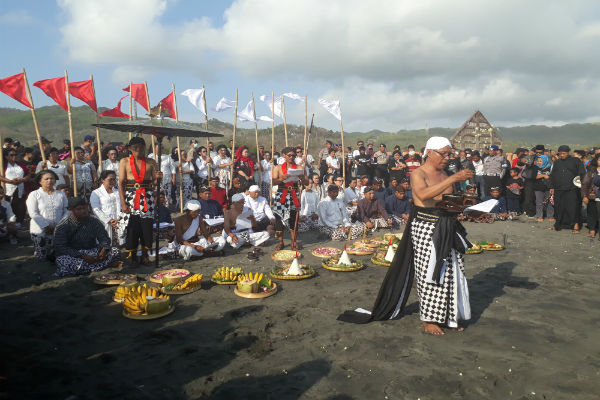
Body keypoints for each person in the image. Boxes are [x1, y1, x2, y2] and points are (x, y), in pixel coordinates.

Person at [338, 136, 474, 335]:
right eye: (444, 154)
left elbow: (446, 199)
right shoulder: (418, 173)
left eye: (449, 154)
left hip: (446, 223)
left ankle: (447, 316)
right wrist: (454, 178)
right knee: (428, 270)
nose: (447, 157)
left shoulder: (445, 173)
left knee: (450, 270)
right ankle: (429, 319)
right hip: (425, 225)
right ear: (429, 153)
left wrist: (465, 206)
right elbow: (423, 195)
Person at [118, 136, 161, 265]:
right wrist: (123, 203)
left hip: (147, 198)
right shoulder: (124, 161)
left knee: (146, 227)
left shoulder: (152, 162)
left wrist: (158, 178)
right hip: (130, 198)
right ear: (130, 149)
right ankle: (132, 256)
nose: (139, 150)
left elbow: (154, 184)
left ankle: (145, 255)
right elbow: (121, 183)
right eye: (135, 148)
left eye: (141, 148)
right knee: (132, 227)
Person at [54, 197, 122, 276]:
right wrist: (81, 256)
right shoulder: (63, 225)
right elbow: (61, 247)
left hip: (92, 252)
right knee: (63, 261)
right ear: (71, 211)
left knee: (115, 250)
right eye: (79, 209)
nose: (83, 211)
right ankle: (104, 265)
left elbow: (104, 239)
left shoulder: (94, 221)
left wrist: (103, 250)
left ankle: (93, 267)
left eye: (85, 208)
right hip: (73, 255)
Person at [271, 147, 309, 250]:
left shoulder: (300, 168)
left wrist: (301, 178)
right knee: (279, 217)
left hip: (294, 194)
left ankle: (294, 241)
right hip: (281, 194)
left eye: (293, 155)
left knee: (294, 217)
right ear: (284, 155)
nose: (292, 157)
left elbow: (307, 183)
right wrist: (281, 178)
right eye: (289, 155)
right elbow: (273, 182)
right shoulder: (278, 168)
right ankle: (281, 242)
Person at [550, 145, 586, 232]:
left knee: (573, 207)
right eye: (560, 154)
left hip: (572, 189)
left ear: (568, 152)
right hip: (559, 188)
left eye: (564, 153)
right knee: (558, 207)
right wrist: (551, 186)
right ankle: (558, 224)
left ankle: (575, 225)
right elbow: (553, 175)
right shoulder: (557, 162)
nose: (562, 155)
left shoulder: (576, 161)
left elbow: (582, 173)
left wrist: (581, 185)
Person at [90, 170, 121, 245]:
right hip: (104, 222)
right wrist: (109, 220)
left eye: (114, 179)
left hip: (118, 221)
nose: (113, 181)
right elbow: (96, 209)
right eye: (110, 179)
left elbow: (122, 206)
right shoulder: (96, 193)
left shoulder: (118, 191)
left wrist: (119, 219)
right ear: (102, 180)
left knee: (119, 246)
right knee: (105, 245)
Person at [0, 149, 28, 224]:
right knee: (9, 206)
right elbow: (0, 176)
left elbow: (28, 174)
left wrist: (22, 179)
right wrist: (10, 181)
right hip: (8, 189)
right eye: (11, 155)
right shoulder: (3, 165)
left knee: (20, 207)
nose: (14, 156)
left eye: (15, 155)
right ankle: (9, 224)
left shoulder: (20, 164)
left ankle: (19, 223)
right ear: (6, 156)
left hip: (20, 188)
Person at [533, 155, 554, 222]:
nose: (539, 162)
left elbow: (553, 178)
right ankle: (539, 215)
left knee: (549, 202)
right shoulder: (535, 168)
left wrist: (552, 187)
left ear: (545, 161)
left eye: (540, 161)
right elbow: (534, 177)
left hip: (548, 188)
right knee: (539, 202)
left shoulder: (550, 168)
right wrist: (543, 175)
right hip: (538, 188)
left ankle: (550, 216)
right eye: (538, 161)